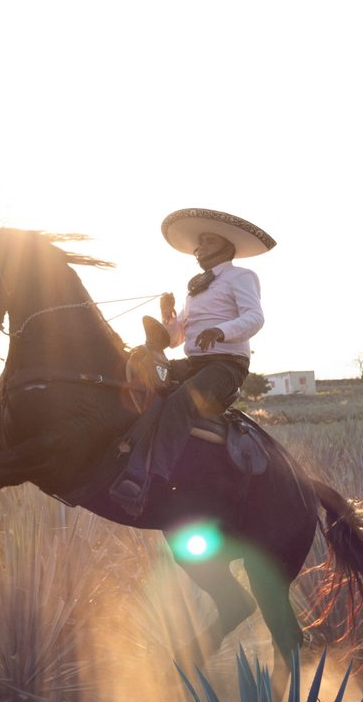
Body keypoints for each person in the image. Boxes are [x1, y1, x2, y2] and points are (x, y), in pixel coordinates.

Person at [109, 208, 275, 515]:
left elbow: (255, 317)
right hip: (193, 363)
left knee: (182, 401)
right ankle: (125, 453)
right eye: (199, 243)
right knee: (140, 381)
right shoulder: (195, 289)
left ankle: (154, 480)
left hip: (226, 365)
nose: (200, 247)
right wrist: (168, 316)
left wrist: (221, 331)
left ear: (227, 247)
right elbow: (174, 340)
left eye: (208, 241)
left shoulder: (242, 276)